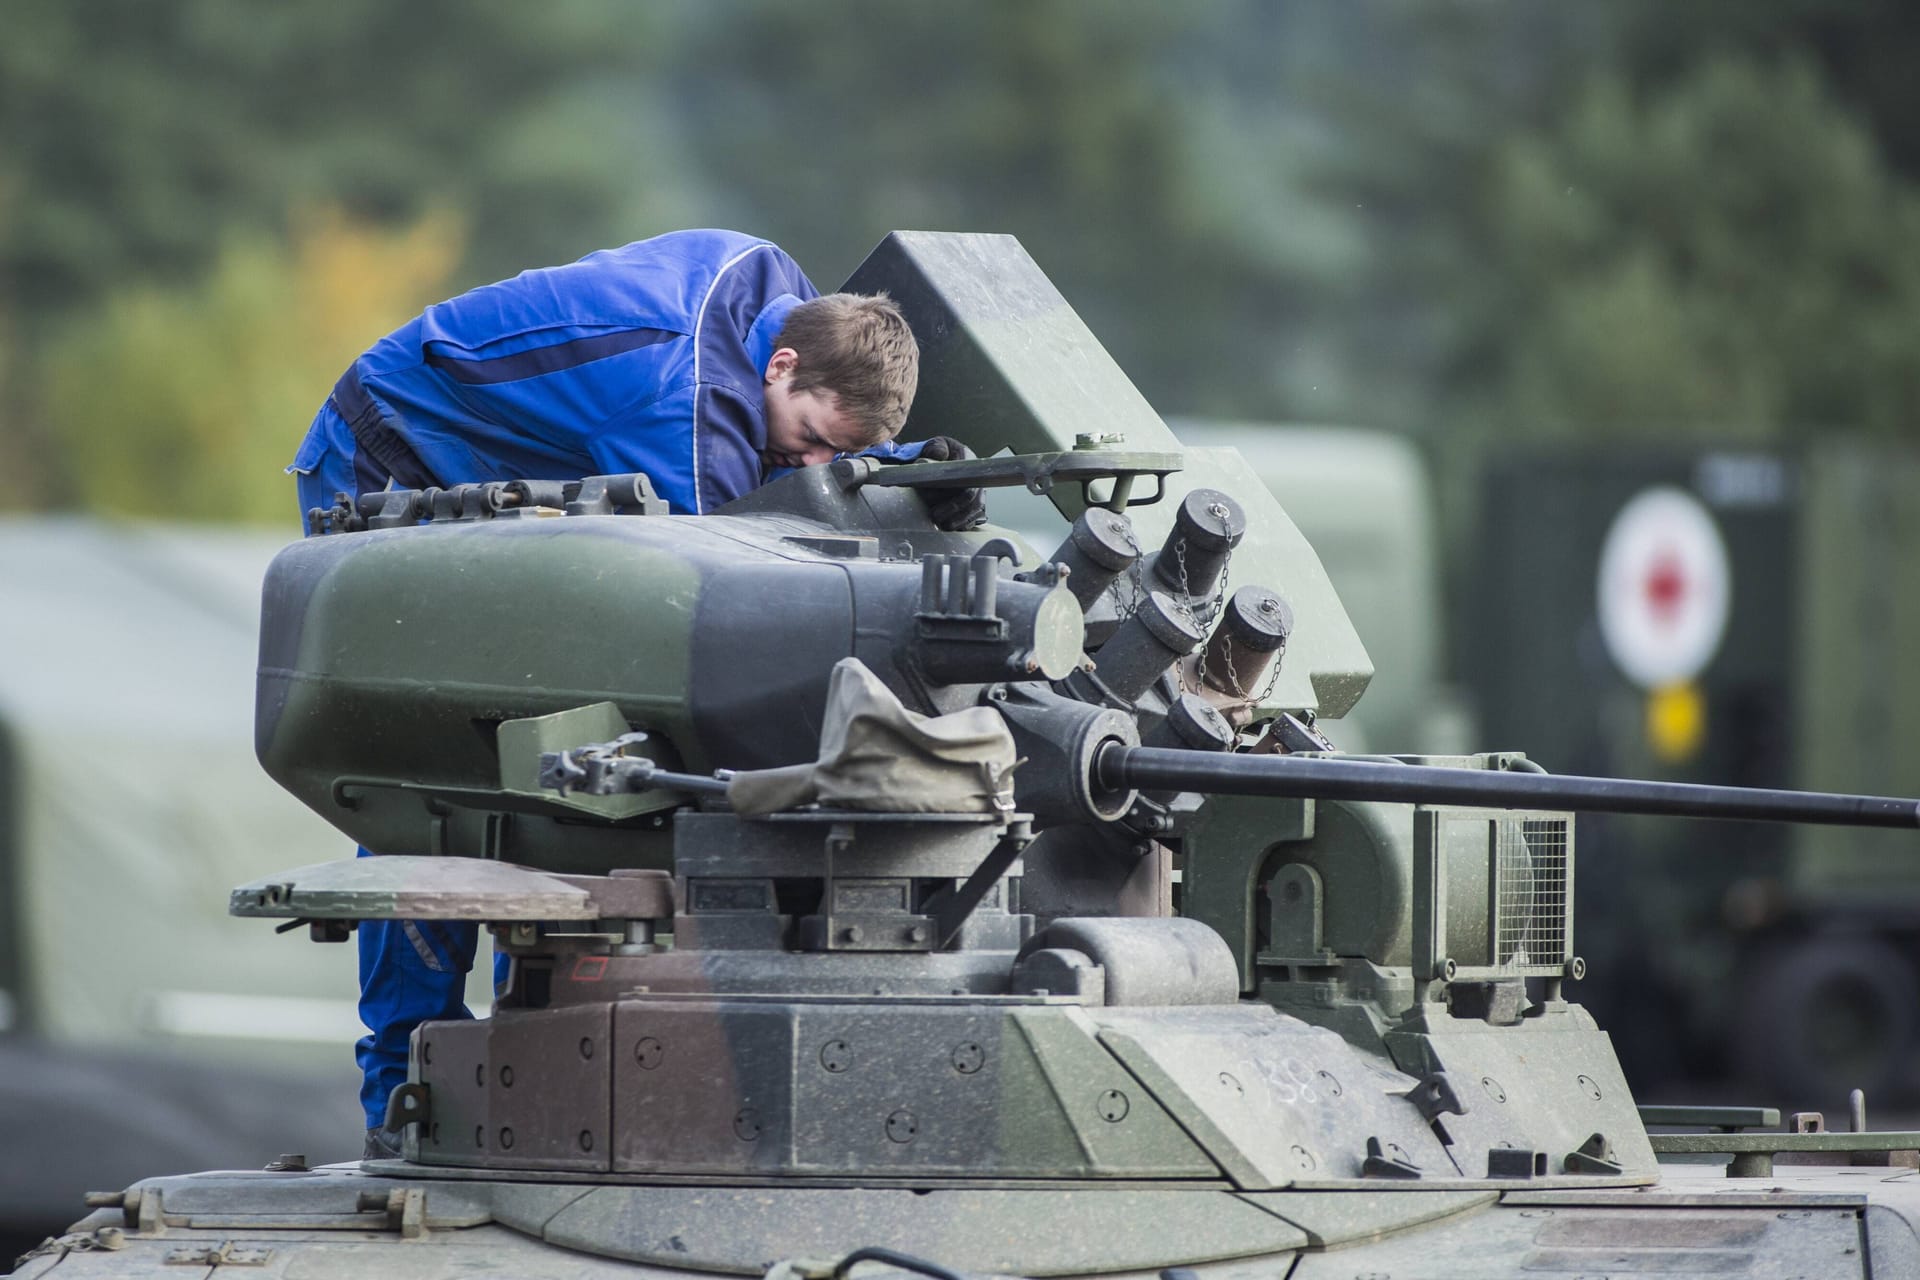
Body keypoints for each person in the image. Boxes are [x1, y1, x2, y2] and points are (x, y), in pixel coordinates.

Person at [286, 228, 983, 1157]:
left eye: (833, 453)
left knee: (546, 745)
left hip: (511, 468)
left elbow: (787, 474)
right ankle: (400, 1089)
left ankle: (516, 1051)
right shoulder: (682, 405)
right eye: (811, 440)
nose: (811, 464)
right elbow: (734, 581)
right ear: (780, 366)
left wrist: (896, 473)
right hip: (392, 453)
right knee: (441, 773)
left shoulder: (771, 287)